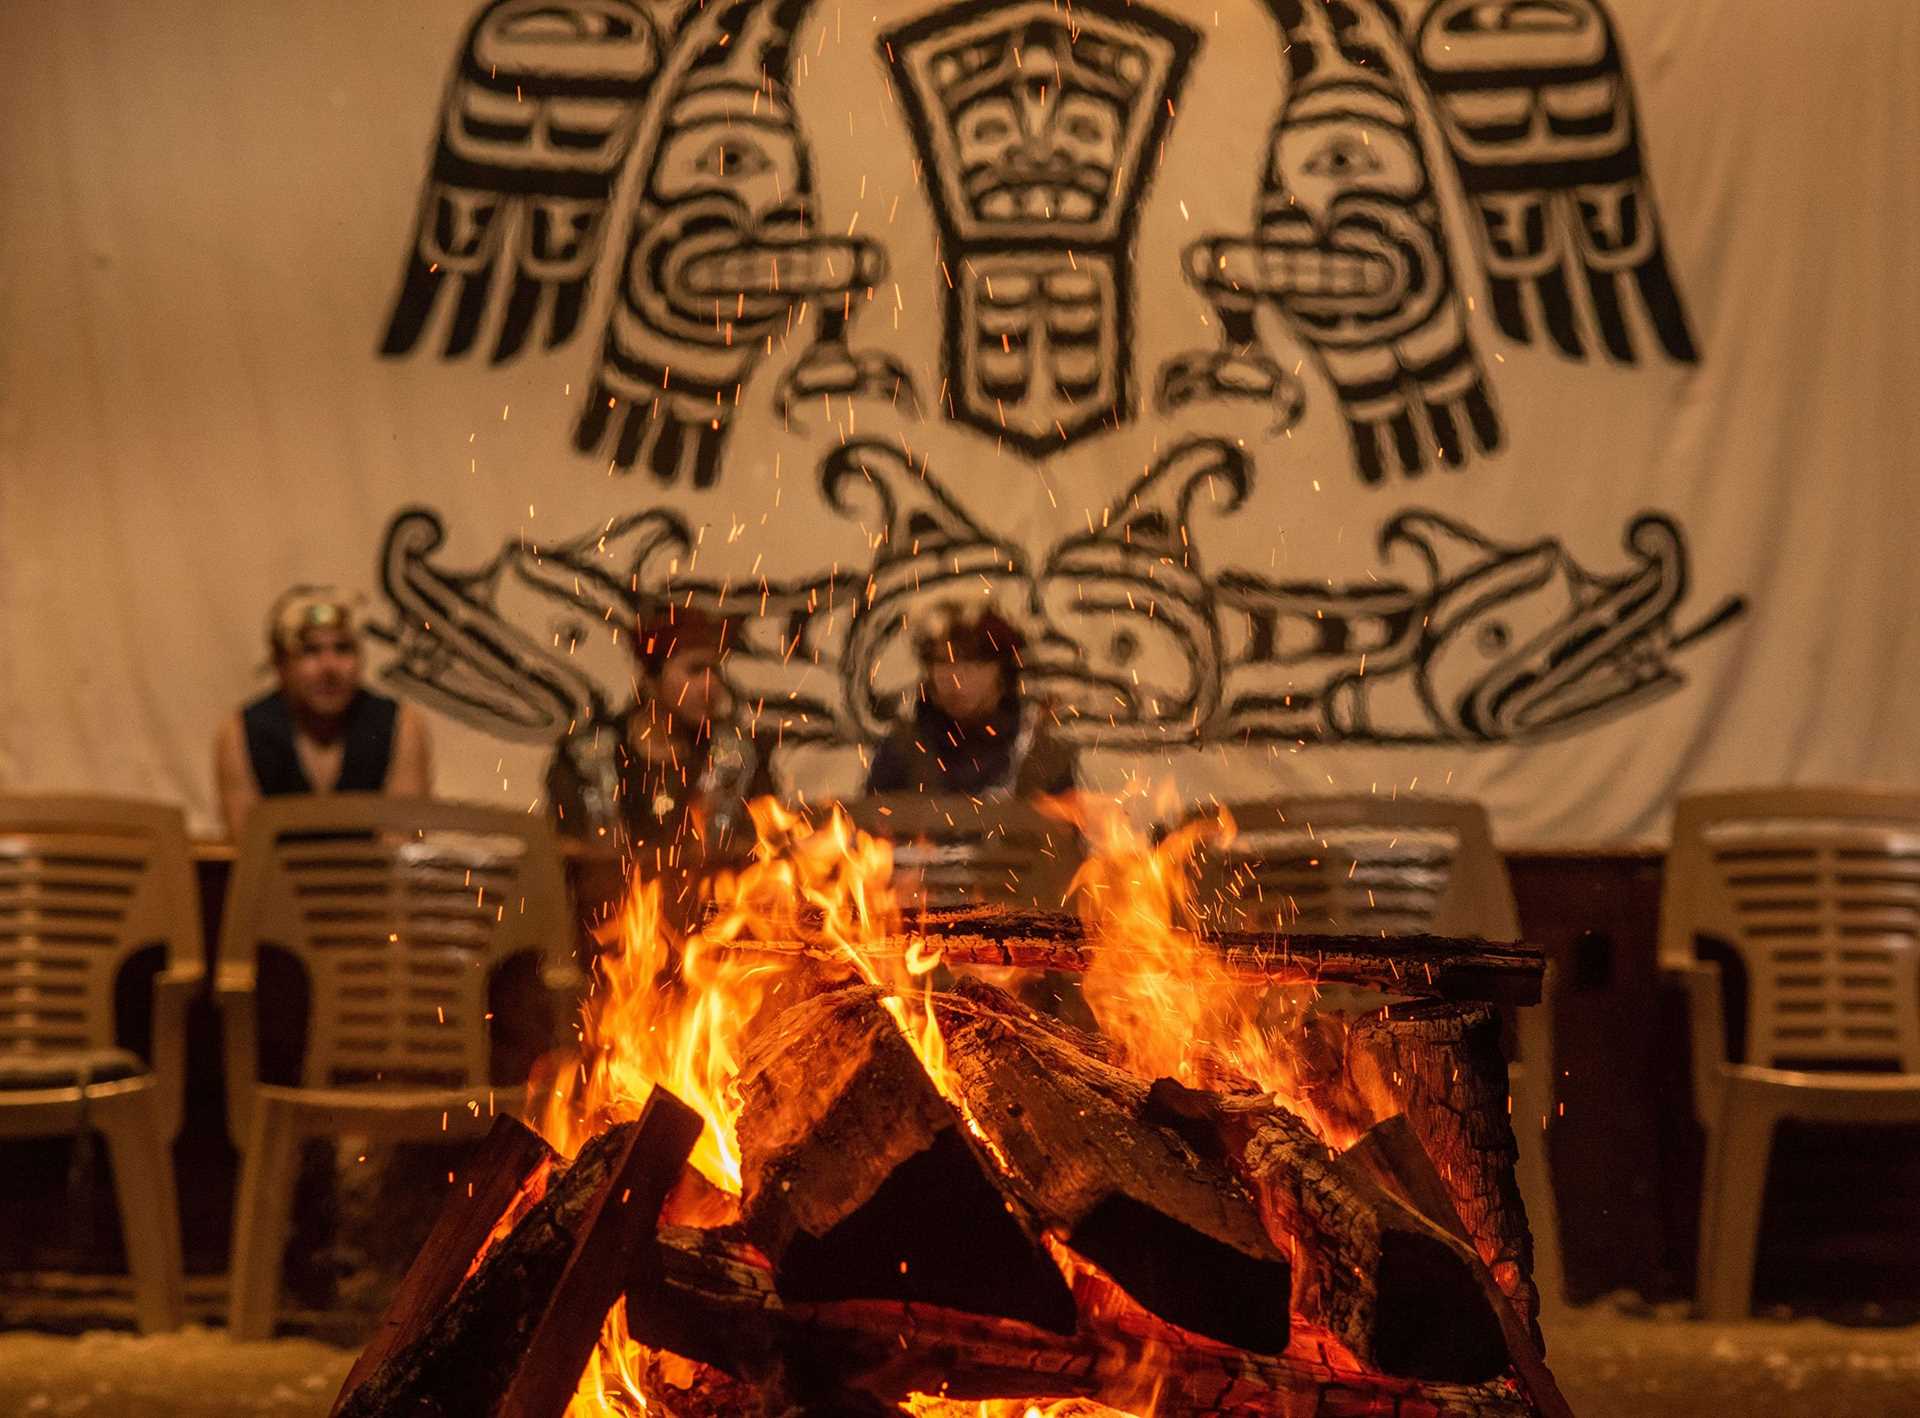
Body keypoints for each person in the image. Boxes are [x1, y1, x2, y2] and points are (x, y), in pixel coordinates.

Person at [545, 604, 776, 896]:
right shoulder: (588, 758)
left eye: (715, 671)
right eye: (695, 670)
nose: (711, 685)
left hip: (712, 932)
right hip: (617, 928)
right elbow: (569, 853)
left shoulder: (738, 758)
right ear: (651, 680)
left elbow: (760, 848)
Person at [214, 587, 433, 837]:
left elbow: (400, 845)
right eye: (310, 650)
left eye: (343, 649)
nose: (329, 667)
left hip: (373, 875)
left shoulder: (401, 725)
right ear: (280, 664)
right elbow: (248, 850)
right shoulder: (240, 732)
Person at [866, 601, 1077, 798]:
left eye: (972, 663)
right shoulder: (900, 752)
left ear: (1003, 674)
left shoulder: (1042, 756)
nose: (955, 679)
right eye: (942, 662)